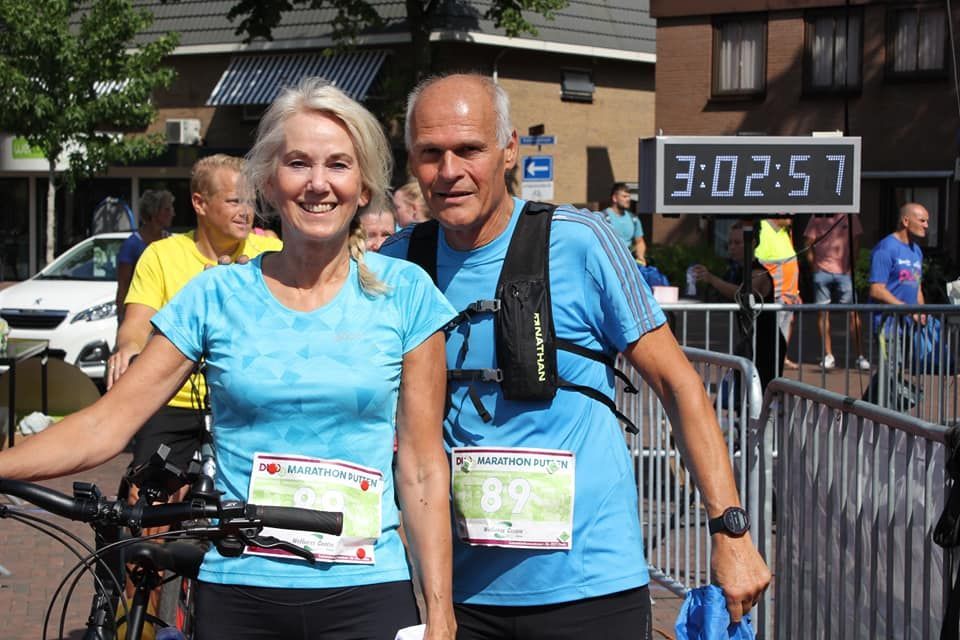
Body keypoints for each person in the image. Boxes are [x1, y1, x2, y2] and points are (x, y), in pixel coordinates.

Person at [0, 78, 457, 640]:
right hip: (240, 589)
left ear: (363, 187)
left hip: (368, 589)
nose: (318, 183)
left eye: (338, 164)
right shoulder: (215, 296)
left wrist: (441, 612)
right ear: (268, 181)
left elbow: (422, 465)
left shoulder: (405, 292)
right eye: (298, 163)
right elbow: (106, 424)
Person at [381, 73, 769, 639]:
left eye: (469, 149)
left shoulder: (580, 241)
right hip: (453, 595)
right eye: (430, 153)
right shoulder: (398, 264)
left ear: (509, 149)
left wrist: (730, 530)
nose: (449, 171)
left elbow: (678, 384)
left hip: (589, 585)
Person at [107, 155, 282, 479]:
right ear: (200, 203)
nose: (246, 211)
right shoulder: (161, 255)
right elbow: (136, 323)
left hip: (247, 401)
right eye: (234, 201)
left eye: (250, 201)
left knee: (255, 499)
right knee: (146, 497)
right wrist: (128, 348)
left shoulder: (272, 254)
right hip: (172, 397)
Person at [691, 222, 785, 389]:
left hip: (767, 342)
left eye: (737, 243)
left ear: (752, 243)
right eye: (730, 243)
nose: (732, 248)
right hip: (747, 341)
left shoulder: (758, 272)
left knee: (765, 391)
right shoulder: (736, 270)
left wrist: (712, 279)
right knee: (741, 390)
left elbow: (742, 294)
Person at [803, 213, 870, 371]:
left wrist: (850, 266)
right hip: (822, 271)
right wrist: (814, 267)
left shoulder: (849, 215)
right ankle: (828, 355)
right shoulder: (817, 216)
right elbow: (808, 242)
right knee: (823, 313)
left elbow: (856, 241)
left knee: (853, 313)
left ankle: (860, 356)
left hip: (844, 272)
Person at [115, 189, 174, 323]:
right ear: (154, 212)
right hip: (139, 315)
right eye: (167, 209)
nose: (172, 213)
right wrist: (122, 319)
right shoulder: (132, 244)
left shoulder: (171, 242)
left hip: (165, 316)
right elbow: (123, 285)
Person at [869, 202, 929, 321]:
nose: (926, 225)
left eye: (927, 221)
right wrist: (905, 309)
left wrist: (921, 312)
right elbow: (876, 290)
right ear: (906, 221)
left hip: (910, 324)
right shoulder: (886, 248)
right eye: (922, 221)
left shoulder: (917, 251)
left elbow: (917, 288)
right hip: (888, 323)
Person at [755, 217, 801, 368]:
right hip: (776, 297)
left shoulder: (785, 231)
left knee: (784, 330)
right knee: (773, 332)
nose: (790, 217)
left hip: (789, 295)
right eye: (786, 213)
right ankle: (771, 363)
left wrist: (796, 291)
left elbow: (790, 263)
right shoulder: (763, 228)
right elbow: (761, 267)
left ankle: (781, 359)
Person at [603, 181, 646, 264]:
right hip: (608, 263)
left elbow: (640, 241)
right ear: (614, 198)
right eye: (624, 196)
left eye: (629, 196)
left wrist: (640, 256)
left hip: (628, 263)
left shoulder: (634, 219)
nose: (628, 199)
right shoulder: (602, 218)